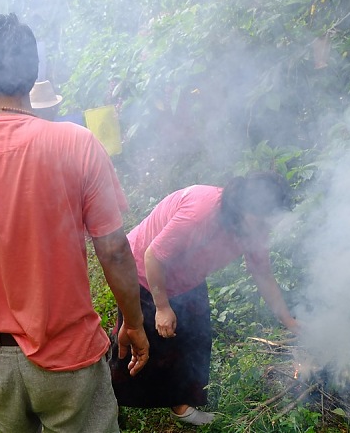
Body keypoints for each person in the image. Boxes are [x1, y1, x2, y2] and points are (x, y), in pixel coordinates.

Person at [0, 12, 149, 432]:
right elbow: (113, 249)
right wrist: (132, 323)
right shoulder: (76, 143)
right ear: (32, 72)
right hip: (69, 355)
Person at [110, 173, 299, 426]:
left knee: (193, 339)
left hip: (188, 276)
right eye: (265, 218)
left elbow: (262, 273)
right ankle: (108, 401)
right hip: (143, 274)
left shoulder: (254, 227)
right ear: (245, 206)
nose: (268, 226)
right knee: (139, 341)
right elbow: (152, 256)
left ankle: (180, 405)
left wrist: (288, 320)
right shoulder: (200, 210)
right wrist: (163, 307)